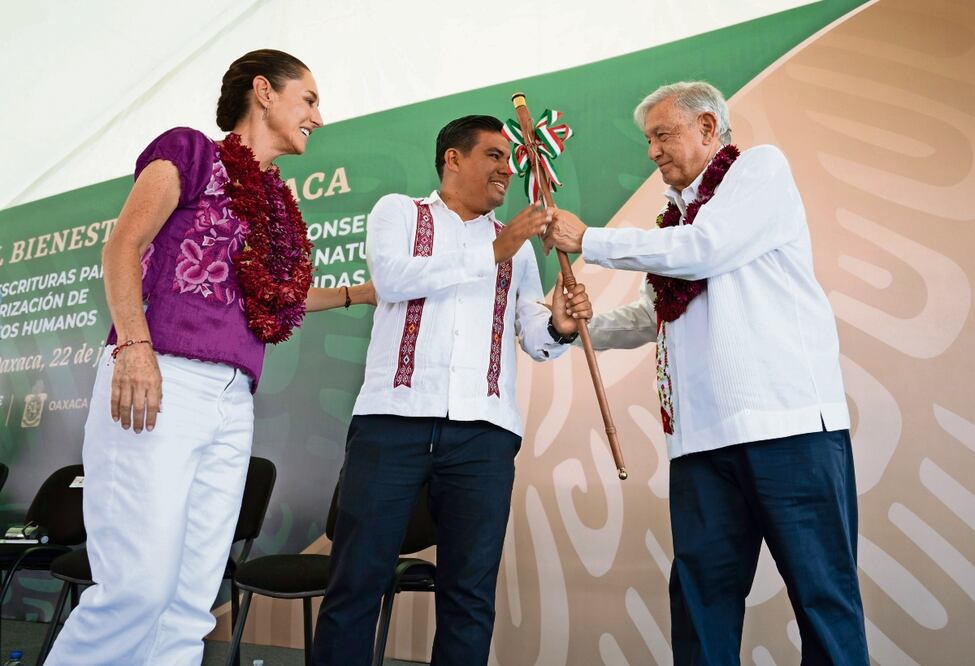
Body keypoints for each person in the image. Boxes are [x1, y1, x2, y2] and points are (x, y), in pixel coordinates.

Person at [46, 49, 373, 666]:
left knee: (192, 601)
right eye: (309, 98)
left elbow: (280, 296)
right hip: (158, 380)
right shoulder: (192, 152)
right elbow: (124, 244)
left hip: (231, 402)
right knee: (137, 591)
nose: (319, 117)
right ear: (265, 92)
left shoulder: (276, 203)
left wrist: (361, 293)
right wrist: (135, 346)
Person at [545, 81, 868, 665]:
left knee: (823, 599)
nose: (652, 152)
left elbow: (708, 248)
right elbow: (653, 316)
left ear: (708, 128)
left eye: (663, 135)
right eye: (649, 140)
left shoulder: (759, 173)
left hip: (787, 429)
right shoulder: (673, 222)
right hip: (700, 442)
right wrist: (579, 327)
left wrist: (590, 239)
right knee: (701, 605)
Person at [312, 115, 592, 666]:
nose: (506, 171)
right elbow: (391, 280)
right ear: (453, 159)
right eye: (493, 156)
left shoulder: (517, 249)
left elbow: (532, 336)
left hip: (484, 436)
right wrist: (495, 249)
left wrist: (558, 324)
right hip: (392, 423)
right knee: (356, 582)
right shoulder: (400, 212)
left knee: (469, 594)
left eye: (510, 160)